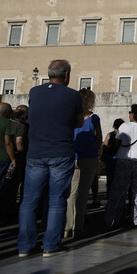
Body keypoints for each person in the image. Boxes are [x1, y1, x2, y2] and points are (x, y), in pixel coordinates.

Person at [18, 60, 83, 257]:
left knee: (29, 201)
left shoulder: (34, 92)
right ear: (66, 75)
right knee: (56, 200)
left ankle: (25, 246)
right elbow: (79, 123)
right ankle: (50, 245)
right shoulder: (72, 95)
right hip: (61, 152)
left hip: (36, 153)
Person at [64, 89, 102, 238]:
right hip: (90, 157)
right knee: (83, 193)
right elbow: (98, 138)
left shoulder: (71, 117)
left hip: (73, 157)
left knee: (71, 193)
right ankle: (78, 226)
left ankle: (68, 226)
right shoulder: (94, 118)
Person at [105, 104, 137, 228]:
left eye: (130, 112)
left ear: (133, 114)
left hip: (123, 158)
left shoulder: (124, 126)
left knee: (118, 191)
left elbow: (116, 143)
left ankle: (112, 219)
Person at [0, 103, 16, 223]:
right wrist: (13, 159)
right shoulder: (7, 123)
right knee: (0, 188)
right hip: (2, 159)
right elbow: (8, 143)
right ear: (5, 113)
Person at [101, 118, 125, 197]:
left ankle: (110, 196)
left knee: (110, 179)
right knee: (121, 179)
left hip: (111, 158)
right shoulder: (123, 136)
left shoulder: (110, 134)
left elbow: (105, 145)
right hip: (121, 158)